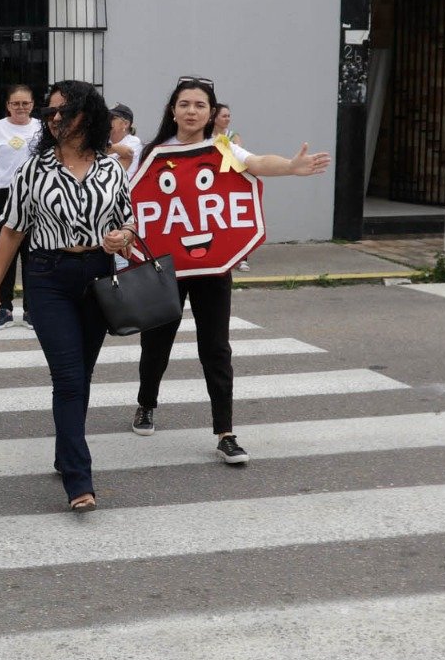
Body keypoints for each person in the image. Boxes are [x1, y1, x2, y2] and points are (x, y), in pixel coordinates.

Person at [129, 77, 330, 468]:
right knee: (156, 344)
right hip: (165, 267)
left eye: (199, 105)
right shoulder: (151, 153)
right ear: (173, 110)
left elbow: (255, 163)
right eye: (184, 104)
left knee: (216, 348)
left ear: (211, 112)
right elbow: (130, 195)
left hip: (211, 267)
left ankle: (225, 433)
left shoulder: (223, 148)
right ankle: (146, 404)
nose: (191, 111)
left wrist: (290, 166)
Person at [0, 80, 133, 512]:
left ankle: (63, 451)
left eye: (60, 111)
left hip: (98, 276)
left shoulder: (110, 169)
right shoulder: (33, 169)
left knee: (81, 376)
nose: (52, 119)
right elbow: (12, 231)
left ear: (86, 115)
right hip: (48, 275)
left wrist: (123, 235)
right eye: (49, 112)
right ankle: (78, 479)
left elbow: (129, 220)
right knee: (67, 377)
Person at [0, 84, 42, 329]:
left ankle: (31, 308)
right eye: (16, 103)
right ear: (7, 105)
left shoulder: (41, 128)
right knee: (6, 254)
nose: (21, 108)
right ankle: (4, 307)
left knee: (32, 255)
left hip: (35, 195)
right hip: (4, 194)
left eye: (25, 103)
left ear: (33, 104)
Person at [212, 103, 251, 272]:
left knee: (235, 220)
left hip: (231, 183)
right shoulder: (206, 136)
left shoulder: (233, 136)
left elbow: (238, 158)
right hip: (214, 182)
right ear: (214, 118)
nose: (227, 119)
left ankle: (242, 258)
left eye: (229, 116)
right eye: (224, 116)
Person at [107, 103, 142, 170]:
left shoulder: (134, 142)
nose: (107, 121)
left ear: (126, 124)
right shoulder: (106, 140)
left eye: (112, 118)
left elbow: (115, 173)